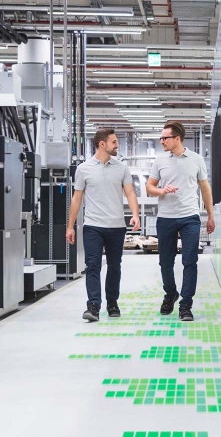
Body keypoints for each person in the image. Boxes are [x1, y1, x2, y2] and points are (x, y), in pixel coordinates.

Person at [67, 128, 140, 322]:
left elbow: (130, 193)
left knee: (114, 266)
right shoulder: (83, 169)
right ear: (102, 144)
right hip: (93, 226)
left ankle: (112, 303)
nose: (117, 145)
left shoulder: (122, 168)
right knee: (93, 265)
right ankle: (93, 306)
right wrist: (70, 226)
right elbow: (76, 198)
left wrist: (135, 215)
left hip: (116, 226)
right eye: (114, 142)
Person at [146, 121, 215, 321]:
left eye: (165, 138)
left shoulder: (196, 159)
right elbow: (150, 186)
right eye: (161, 138)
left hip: (190, 217)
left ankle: (186, 304)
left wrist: (210, 215)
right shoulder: (160, 161)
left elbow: (205, 188)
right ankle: (170, 294)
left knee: (190, 261)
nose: (161, 141)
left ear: (177, 138)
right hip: (165, 218)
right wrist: (161, 190)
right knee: (165, 262)